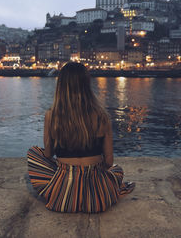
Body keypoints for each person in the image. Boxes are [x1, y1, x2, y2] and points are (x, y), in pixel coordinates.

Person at [27, 62, 135, 213]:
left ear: (61, 86)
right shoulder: (101, 116)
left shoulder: (52, 116)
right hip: (97, 199)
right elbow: (109, 162)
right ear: (87, 85)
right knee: (117, 171)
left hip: (62, 197)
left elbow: (48, 154)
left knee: (34, 152)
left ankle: (65, 183)